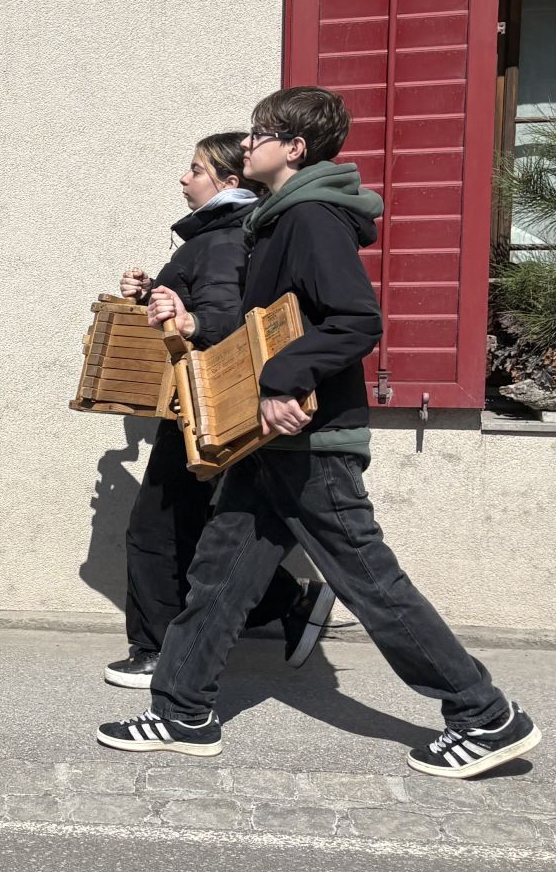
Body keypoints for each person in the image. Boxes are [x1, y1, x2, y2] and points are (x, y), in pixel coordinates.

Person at [99, 87, 539, 779]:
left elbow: (356, 321)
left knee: (371, 584)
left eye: (259, 134)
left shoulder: (311, 218)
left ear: (294, 147)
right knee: (218, 577)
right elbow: (264, 325)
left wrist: (281, 382)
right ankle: (183, 711)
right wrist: (185, 315)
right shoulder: (276, 221)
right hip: (270, 441)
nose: (248, 144)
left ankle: (485, 716)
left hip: (312, 441)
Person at [108, 133, 336, 690]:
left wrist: (188, 320)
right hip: (198, 405)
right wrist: (152, 294)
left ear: (229, 183)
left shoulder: (221, 240)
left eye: (195, 169)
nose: (183, 178)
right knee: (195, 530)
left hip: (202, 406)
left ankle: (157, 651)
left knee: (156, 528)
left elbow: (225, 320)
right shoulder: (223, 235)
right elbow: (202, 303)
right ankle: (287, 601)